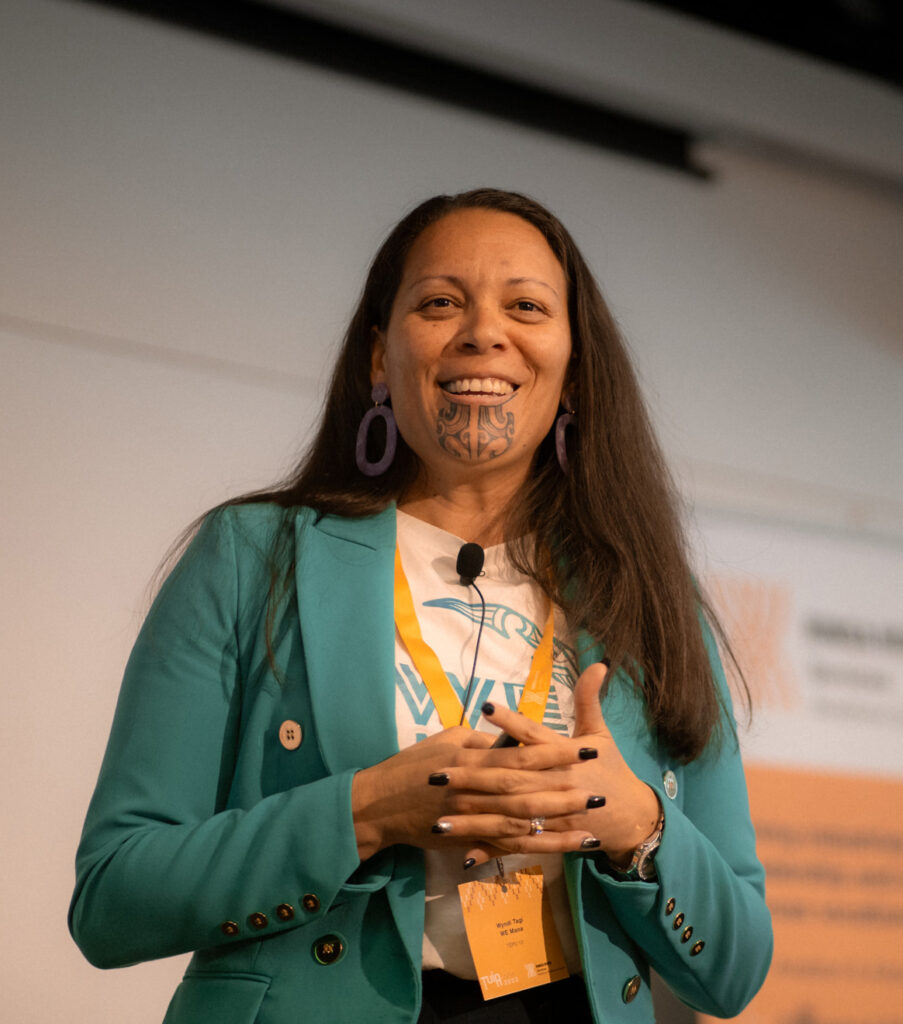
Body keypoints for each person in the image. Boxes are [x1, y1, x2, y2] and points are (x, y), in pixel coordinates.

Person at [70, 188, 772, 1023]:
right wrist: (366, 811)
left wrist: (639, 829)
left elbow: (736, 970)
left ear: (574, 367)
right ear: (379, 356)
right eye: (441, 303)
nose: (484, 331)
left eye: (526, 306)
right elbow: (114, 897)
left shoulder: (651, 599)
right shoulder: (254, 556)